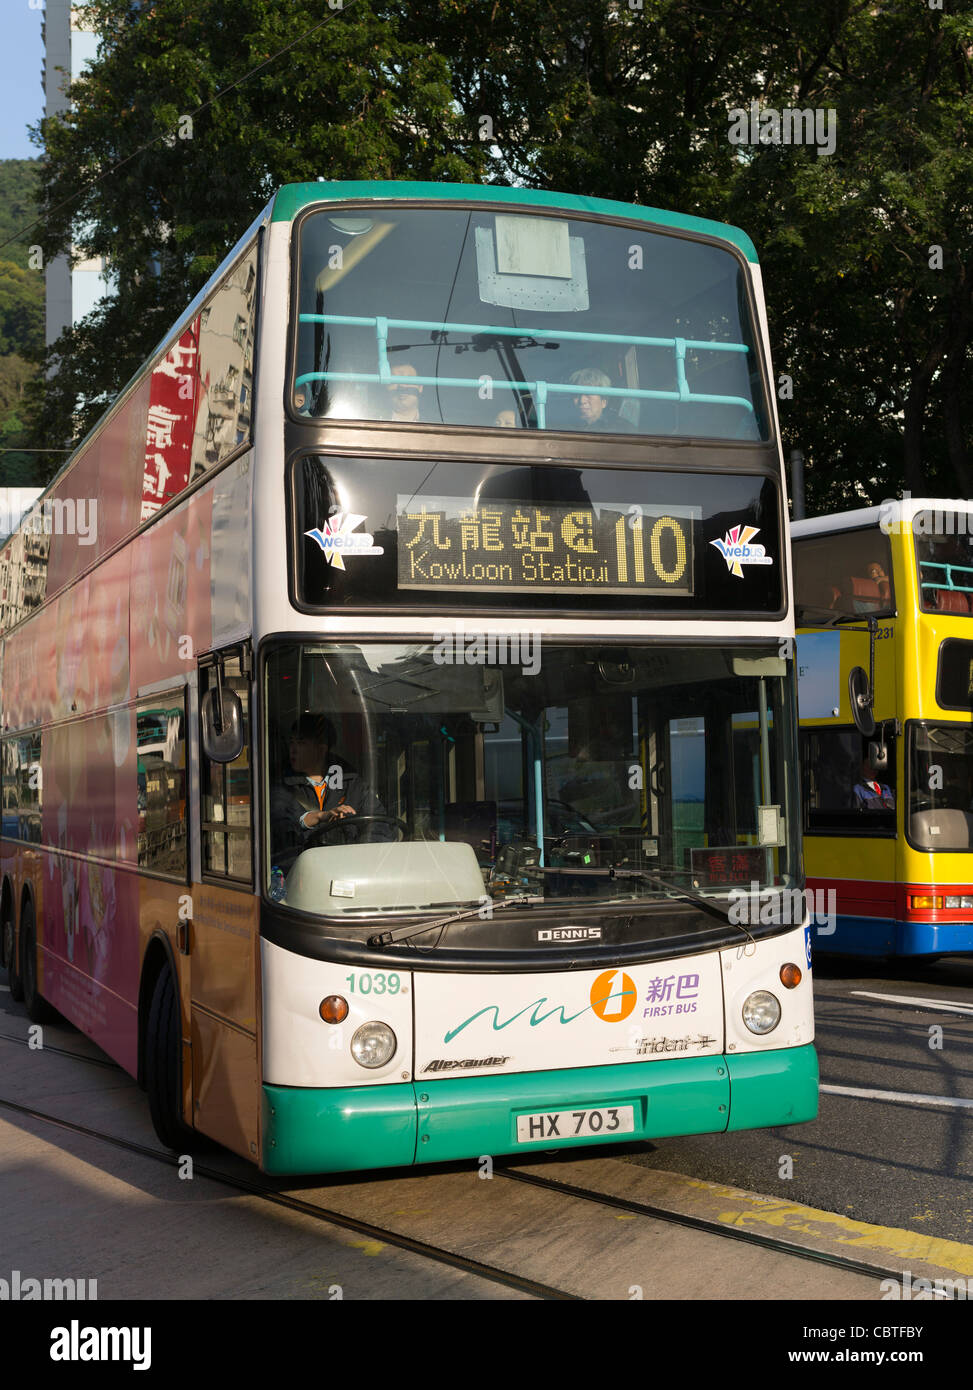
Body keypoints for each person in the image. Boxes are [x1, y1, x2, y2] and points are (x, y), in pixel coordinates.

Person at [270, 712, 391, 857]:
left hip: (348, 867)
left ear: (321, 750)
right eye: (291, 742)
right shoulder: (281, 783)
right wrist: (320, 816)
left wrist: (360, 855)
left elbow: (380, 825)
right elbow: (281, 824)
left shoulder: (351, 781)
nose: (293, 750)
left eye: (301, 743)